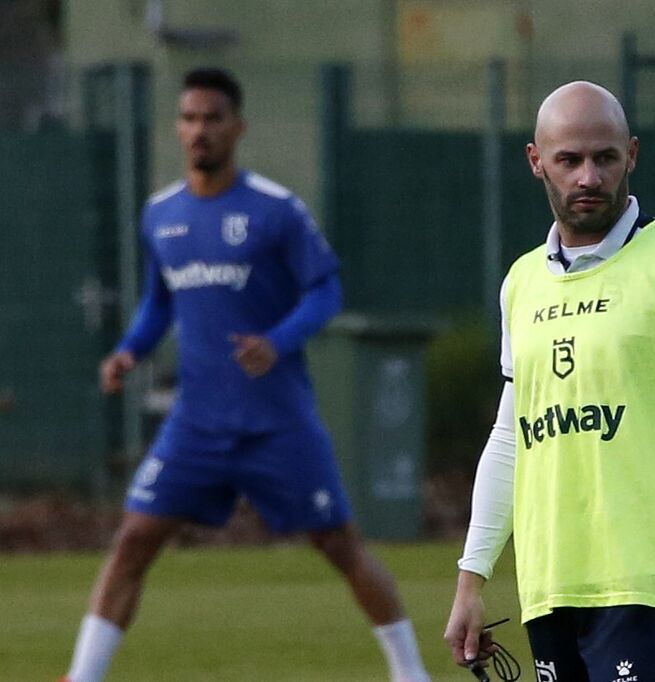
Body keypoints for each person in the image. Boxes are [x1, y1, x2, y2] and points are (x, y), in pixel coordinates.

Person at [61, 68, 431, 682]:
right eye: (188, 118)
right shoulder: (161, 215)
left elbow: (325, 290)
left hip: (276, 421)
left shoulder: (275, 210)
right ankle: (82, 677)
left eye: (212, 118)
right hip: (197, 423)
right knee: (134, 538)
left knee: (339, 544)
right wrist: (129, 350)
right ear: (177, 128)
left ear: (238, 126)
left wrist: (278, 341)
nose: (199, 130)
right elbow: (160, 302)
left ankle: (410, 672)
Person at [443, 81, 655, 680]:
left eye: (604, 158)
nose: (588, 177)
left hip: (644, 581)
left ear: (631, 155)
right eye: (569, 160)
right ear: (536, 162)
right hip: (550, 583)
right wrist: (471, 579)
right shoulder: (521, 283)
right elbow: (510, 437)